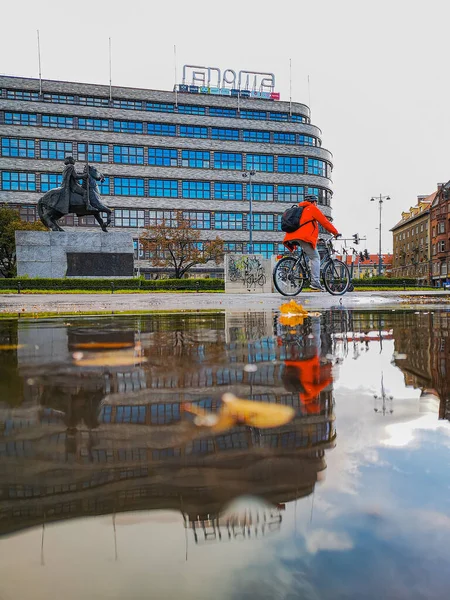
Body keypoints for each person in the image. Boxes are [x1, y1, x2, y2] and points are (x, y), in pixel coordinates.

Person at [283, 194, 340, 291]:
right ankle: (315, 282)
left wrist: (315, 239)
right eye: (316, 203)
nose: (316, 204)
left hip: (291, 236)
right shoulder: (312, 209)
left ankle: (301, 269)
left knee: (309, 255)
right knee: (315, 257)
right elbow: (325, 222)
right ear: (314, 202)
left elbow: (305, 228)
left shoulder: (300, 210)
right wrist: (335, 233)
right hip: (302, 237)